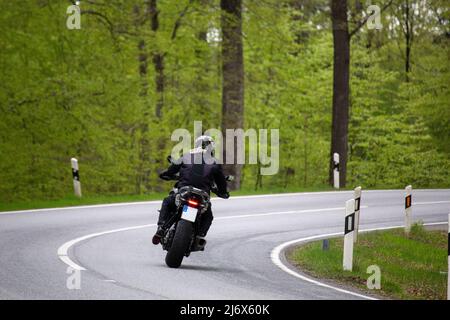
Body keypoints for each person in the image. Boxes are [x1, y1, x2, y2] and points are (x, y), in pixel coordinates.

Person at [152, 135, 229, 245]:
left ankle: (161, 227)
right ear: (211, 148)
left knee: (168, 202)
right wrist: (223, 192)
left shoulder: (186, 156)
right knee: (208, 216)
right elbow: (221, 182)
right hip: (202, 195)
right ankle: (199, 236)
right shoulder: (215, 163)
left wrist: (164, 174)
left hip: (185, 191)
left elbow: (172, 170)